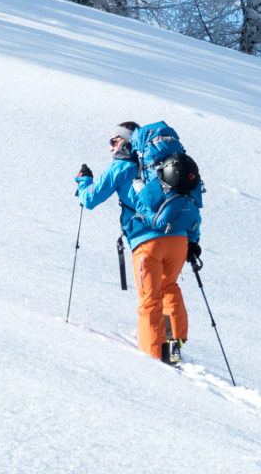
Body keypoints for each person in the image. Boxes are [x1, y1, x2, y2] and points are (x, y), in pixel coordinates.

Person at [77, 121, 203, 364]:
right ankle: (173, 354)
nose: (111, 147)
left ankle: (154, 360)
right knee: (170, 290)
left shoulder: (121, 167)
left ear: (125, 140)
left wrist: (83, 181)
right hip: (179, 239)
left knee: (150, 300)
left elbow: (90, 200)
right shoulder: (164, 165)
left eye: (114, 141)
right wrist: (193, 242)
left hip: (147, 244)